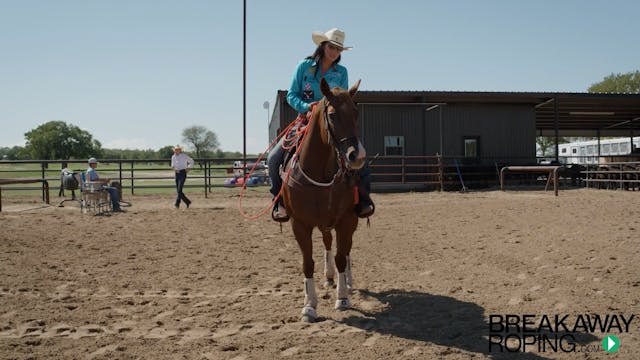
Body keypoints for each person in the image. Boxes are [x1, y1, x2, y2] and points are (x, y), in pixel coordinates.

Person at [267, 27, 374, 221]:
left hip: (332, 123)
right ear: (323, 46)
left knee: (359, 157)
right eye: (332, 47)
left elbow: (342, 99)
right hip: (306, 119)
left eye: (339, 49)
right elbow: (292, 95)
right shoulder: (304, 67)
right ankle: (279, 200)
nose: (334, 52)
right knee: (274, 158)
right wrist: (308, 107)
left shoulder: (341, 72)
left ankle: (363, 200)